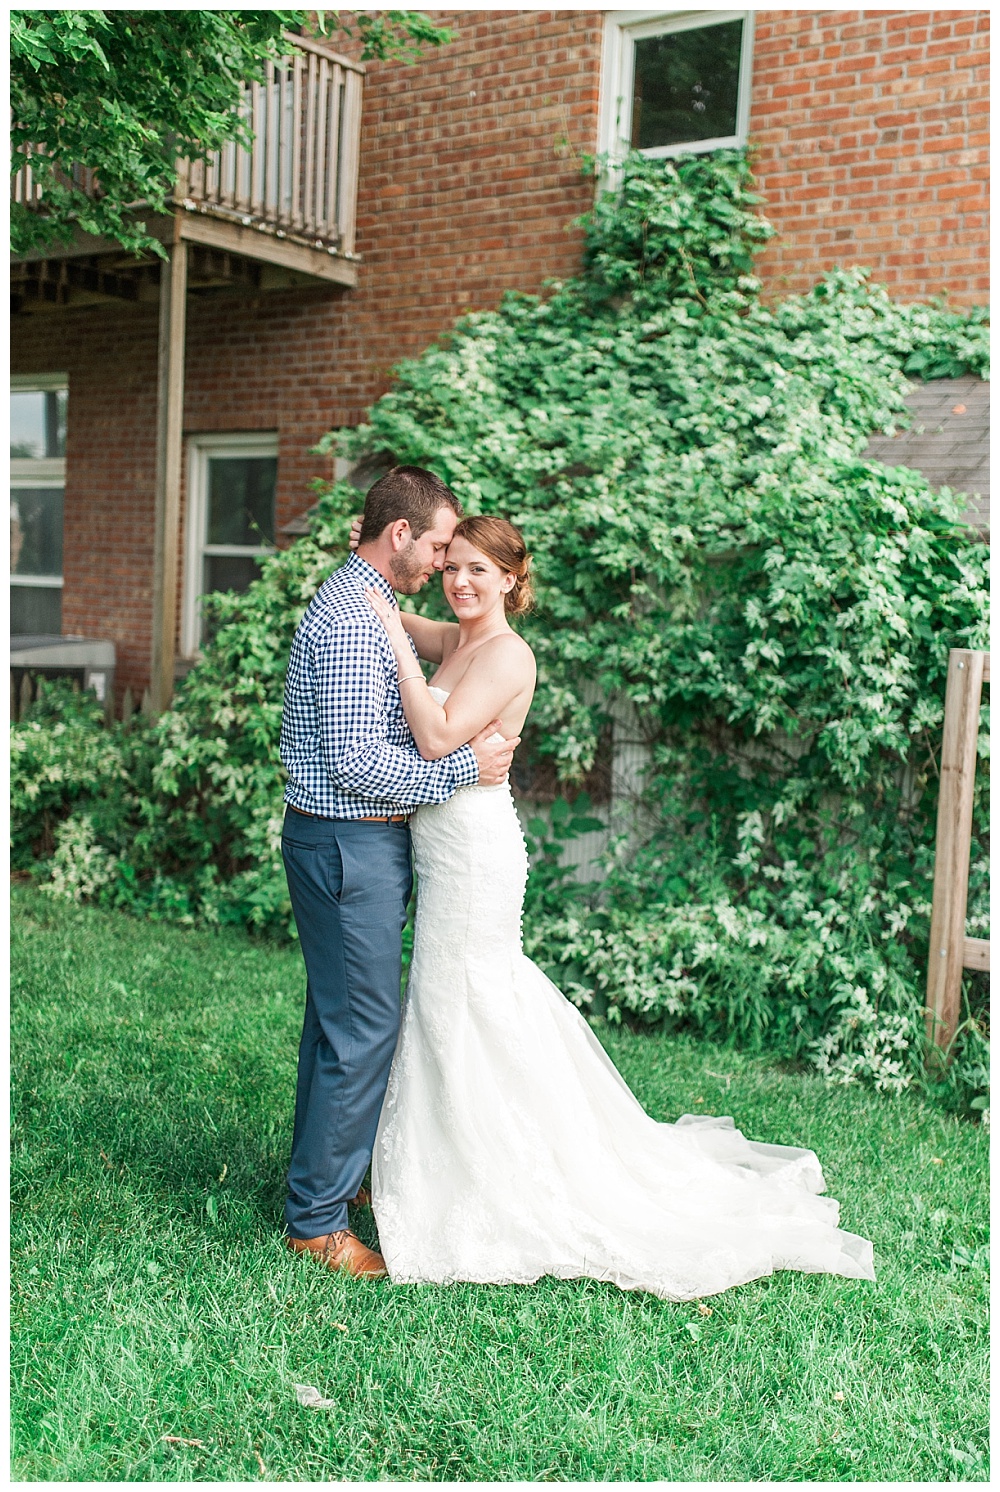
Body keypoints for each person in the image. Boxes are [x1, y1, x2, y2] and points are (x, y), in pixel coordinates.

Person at [361, 513, 876, 1300]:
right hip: (444, 847)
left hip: (474, 853)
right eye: (453, 566)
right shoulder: (458, 638)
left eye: (478, 572)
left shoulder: (506, 654)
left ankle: (499, 1170)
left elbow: (435, 740)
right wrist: (365, 581)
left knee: (461, 999)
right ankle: (450, 1154)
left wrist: (394, 648)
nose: (461, 582)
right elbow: (402, 615)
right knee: (450, 1002)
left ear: (511, 580)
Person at [279, 467, 519, 1279]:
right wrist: (463, 771)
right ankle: (316, 1223)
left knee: (336, 1021)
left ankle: (327, 1183)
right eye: (440, 547)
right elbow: (355, 763)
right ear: (400, 537)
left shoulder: (365, 602)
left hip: (344, 842)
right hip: (347, 841)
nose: (445, 564)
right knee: (363, 1028)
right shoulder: (353, 622)